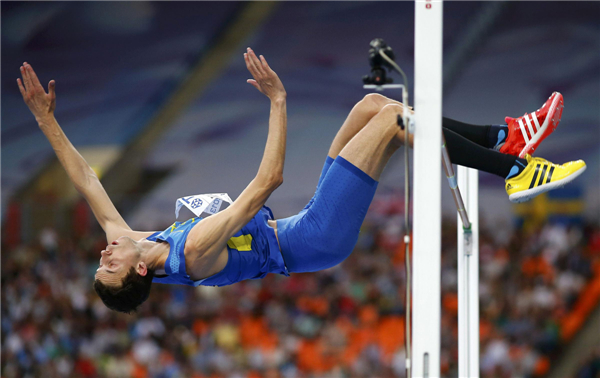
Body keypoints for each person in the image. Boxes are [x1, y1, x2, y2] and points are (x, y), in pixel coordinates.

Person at [18, 48, 586, 314]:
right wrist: (279, 101)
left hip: (300, 226)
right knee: (392, 120)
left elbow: (88, 178)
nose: (105, 249)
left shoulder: (141, 243)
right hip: (314, 235)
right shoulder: (190, 249)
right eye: (109, 263)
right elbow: (267, 181)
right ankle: (514, 170)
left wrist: (46, 119)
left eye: (102, 258)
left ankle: (502, 136)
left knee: (370, 106)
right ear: (138, 270)